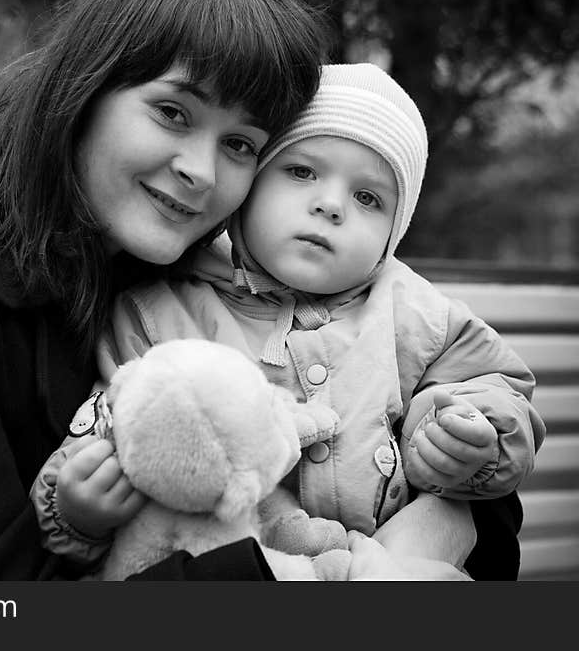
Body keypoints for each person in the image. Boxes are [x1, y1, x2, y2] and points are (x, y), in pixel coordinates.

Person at [0, 0, 331, 580]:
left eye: (241, 144)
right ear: (84, 88)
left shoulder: (181, 279)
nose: (202, 170)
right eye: (173, 112)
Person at [33, 63, 545, 579]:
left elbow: (496, 386)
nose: (329, 205)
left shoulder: (414, 311)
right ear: (248, 187)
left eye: (368, 198)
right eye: (301, 172)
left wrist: (475, 439)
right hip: (227, 572)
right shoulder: (159, 310)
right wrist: (78, 512)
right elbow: (112, 422)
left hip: (384, 559)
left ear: (392, 235)